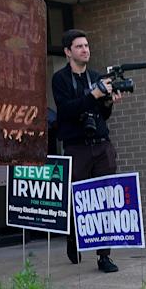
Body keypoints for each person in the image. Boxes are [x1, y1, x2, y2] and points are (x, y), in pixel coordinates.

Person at [51, 29, 125, 273]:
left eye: (87, 45)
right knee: (77, 200)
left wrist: (106, 101)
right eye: (80, 46)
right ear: (67, 52)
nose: (85, 49)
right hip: (76, 147)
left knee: (104, 201)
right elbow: (67, 111)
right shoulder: (60, 79)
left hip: (101, 145)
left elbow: (102, 115)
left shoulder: (97, 76)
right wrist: (93, 94)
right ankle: (74, 236)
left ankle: (104, 256)